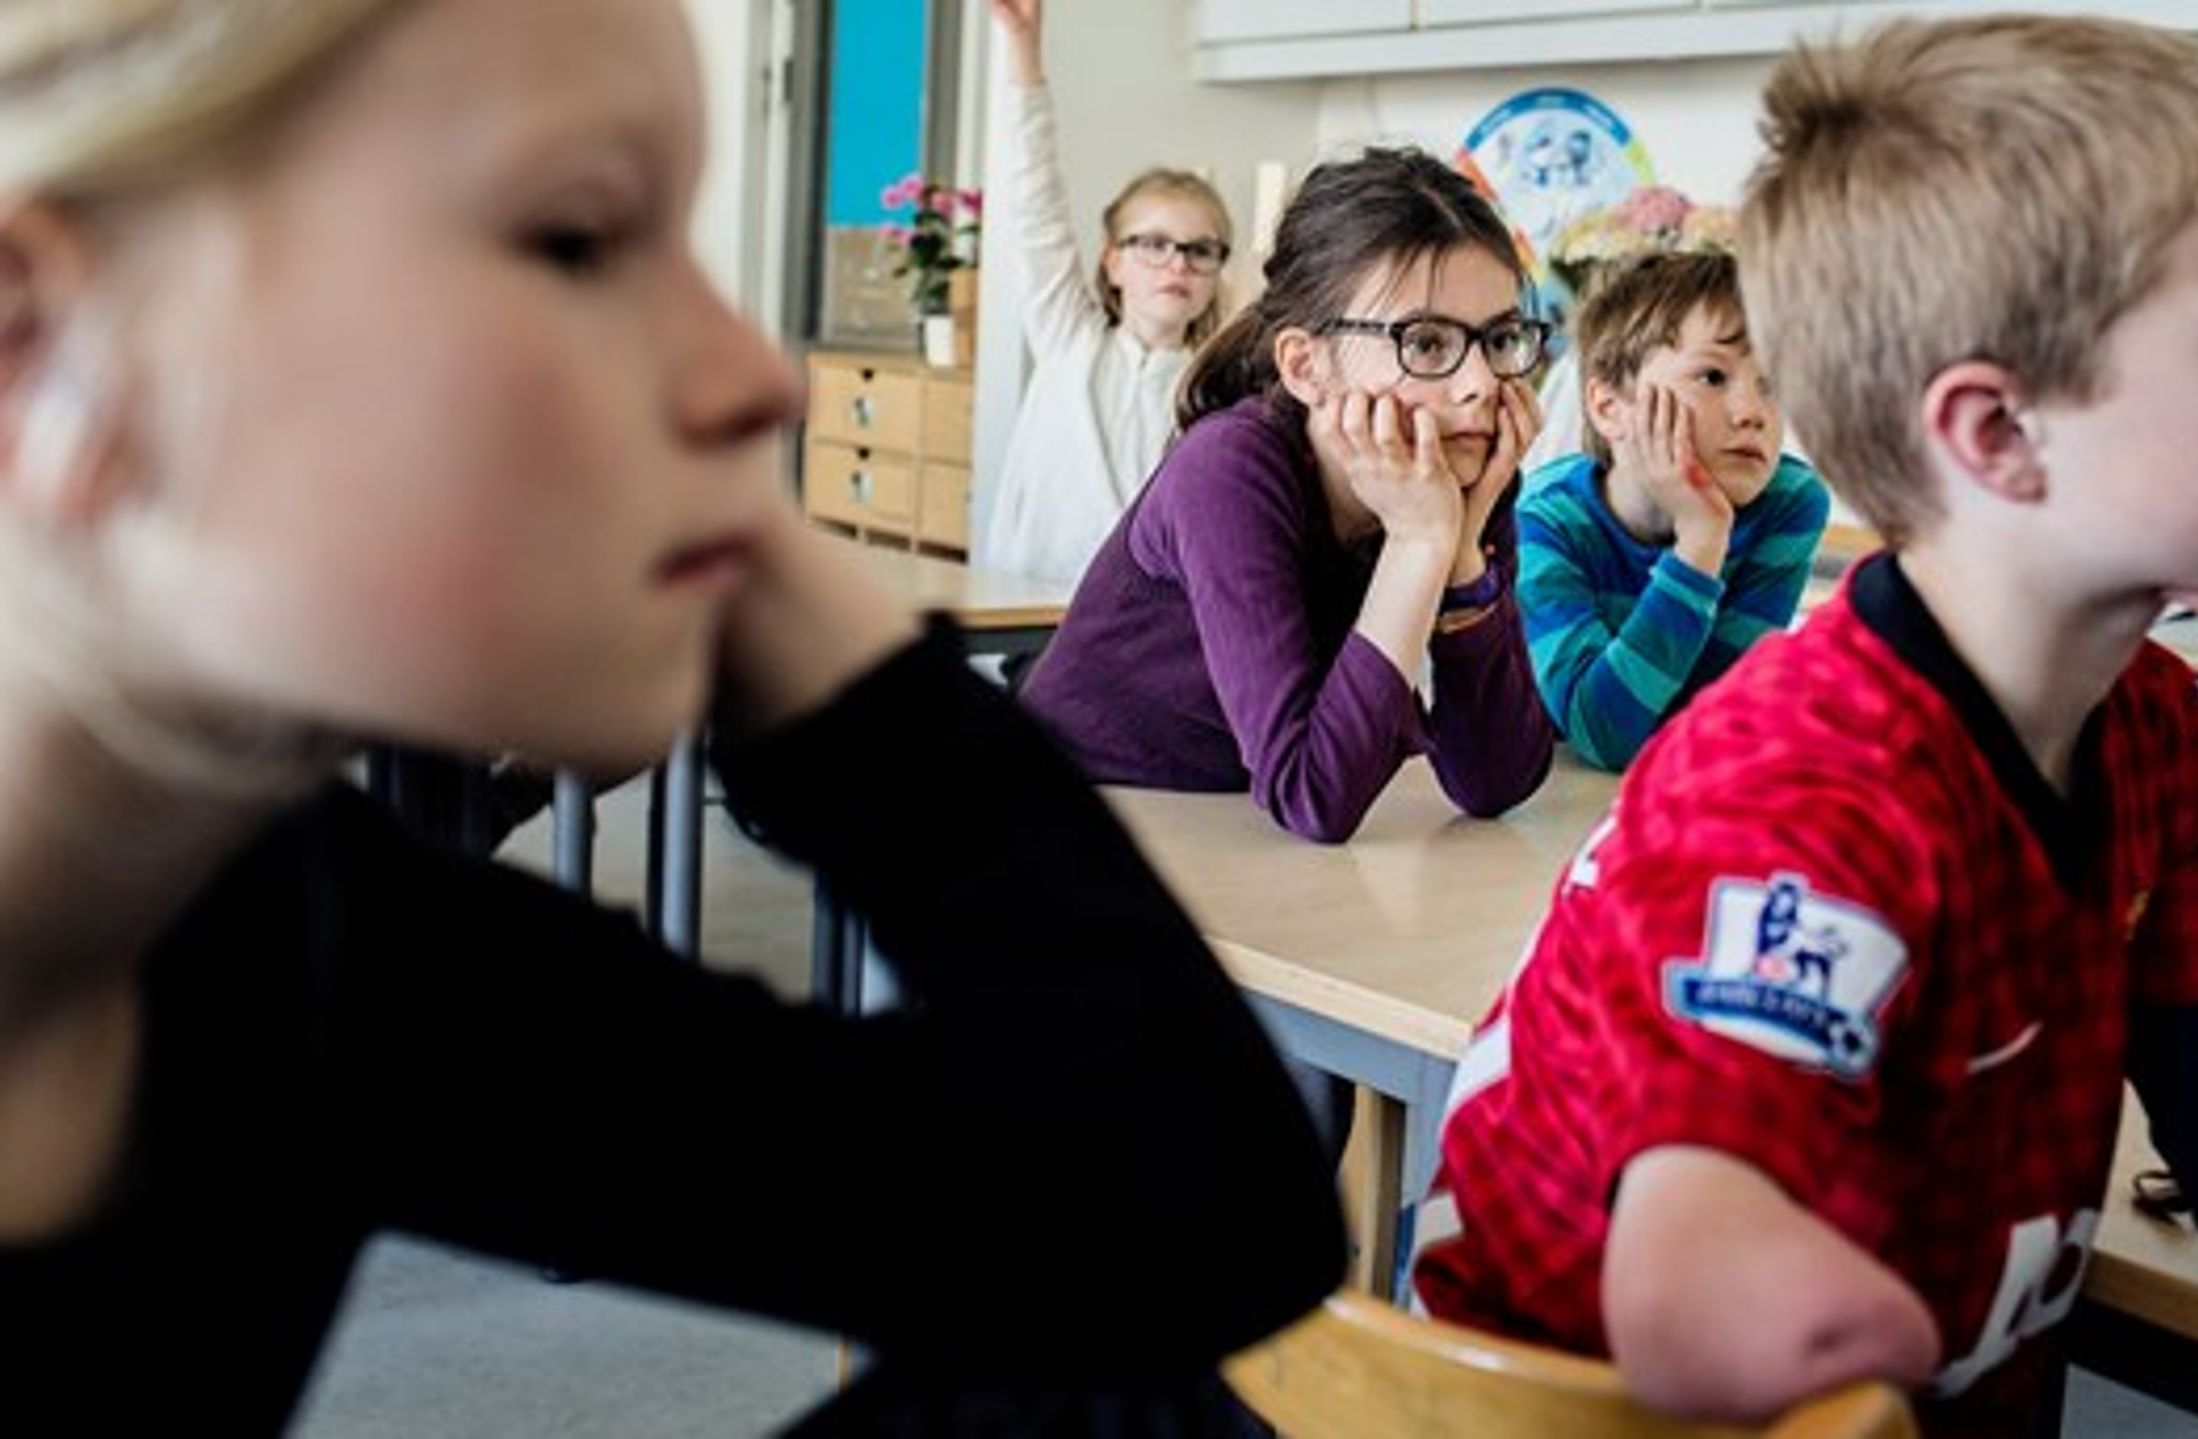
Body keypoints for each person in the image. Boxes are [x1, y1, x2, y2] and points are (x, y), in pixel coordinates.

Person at [0, 1, 1342, 1430]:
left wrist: (819, 645)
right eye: (576, 239)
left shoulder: (291, 933)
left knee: (1108, 1404)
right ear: (36, 332)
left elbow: (1197, 1212)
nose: (761, 374)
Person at [1412, 16, 2198, 1432]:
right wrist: (1759, 1284)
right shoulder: (1804, 779)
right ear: (1996, 434)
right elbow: (1693, 1275)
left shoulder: (2149, 725)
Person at [1021, 147, 1555, 844]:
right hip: (1068, 822)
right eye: (1426, 343)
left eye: (1500, 338)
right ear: (1306, 365)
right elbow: (1313, 795)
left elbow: (1497, 780)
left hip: (1228, 835)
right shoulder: (1228, 469)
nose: (1481, 383)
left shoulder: (1454, 475)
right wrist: (1420, 542)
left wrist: (1458, 555)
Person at [1516, 250, 1830, 771]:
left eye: (1770, 385)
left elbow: (1718, 720)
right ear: (1608, 406)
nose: (1752, 412)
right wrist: (1701, 542)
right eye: (1712, 376)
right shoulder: (1545, 521)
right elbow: (1603, 733)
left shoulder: (1788, 504)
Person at [978, 0, 1233, 586]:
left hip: (1136, 633)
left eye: (1200, 250)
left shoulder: (1217, 389)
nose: (1177, 264)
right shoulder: (1068, 338)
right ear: (1113, 261)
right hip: (1030, 609)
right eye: (1154, 244)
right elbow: (1033, 198)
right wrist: (1023, 52)